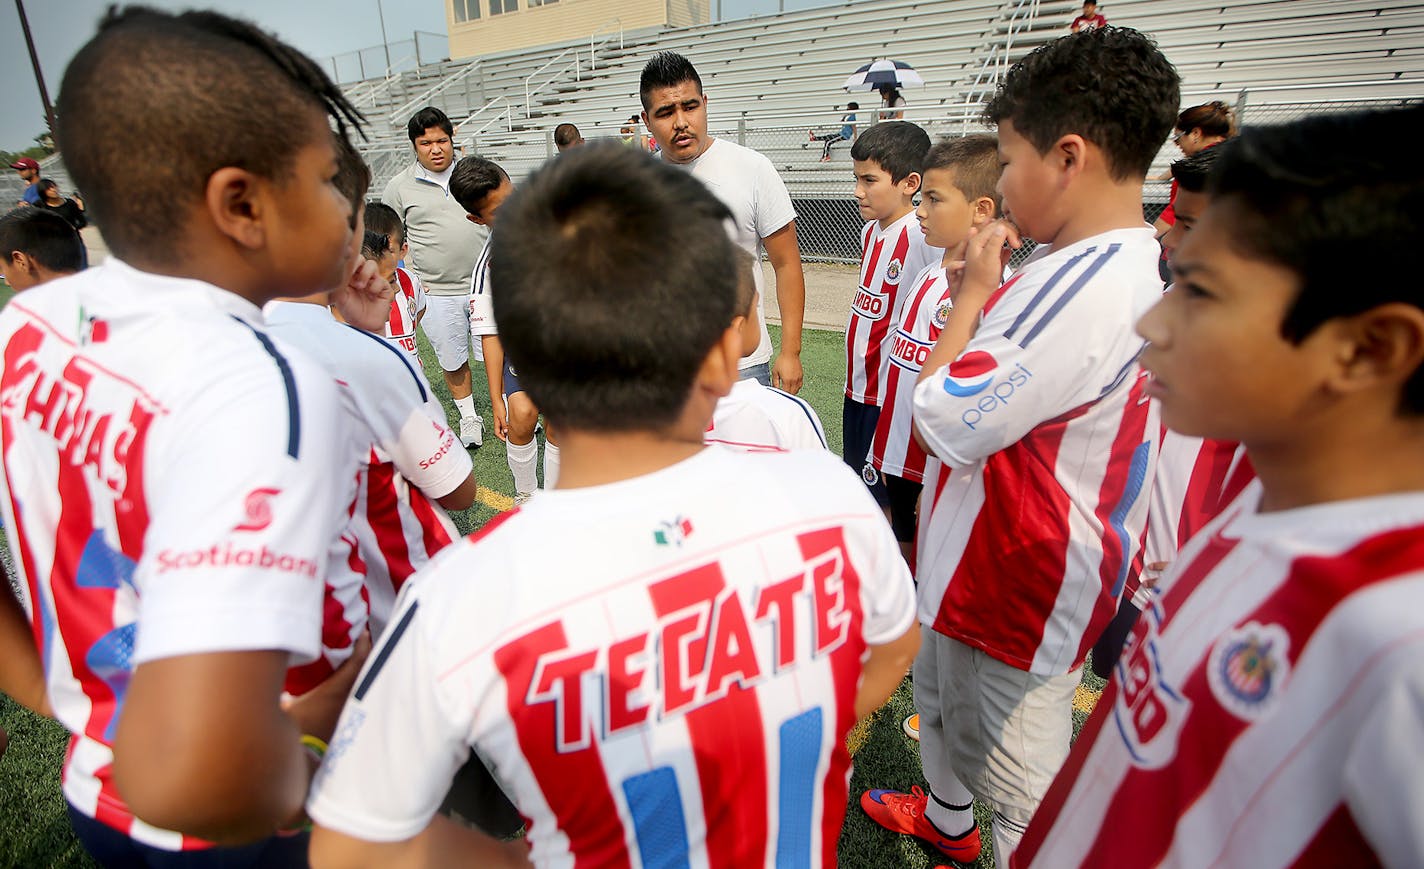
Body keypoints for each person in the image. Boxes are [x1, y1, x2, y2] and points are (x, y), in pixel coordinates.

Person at [306, 142, 920, 869]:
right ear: (730, 349)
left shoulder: (459, 597)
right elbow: (894, 644)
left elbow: (348, 841)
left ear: (529, 367)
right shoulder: (831, 498)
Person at [0, 6, 392, 863]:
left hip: (97, 792)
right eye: (330, 179)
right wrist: (324, 725)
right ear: (242, 204)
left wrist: (65, 700)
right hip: (244, 822)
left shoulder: (31, 323)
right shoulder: (260, 383)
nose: (344, 201)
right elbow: (198, 781)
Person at [1016, 102, 1424, 868]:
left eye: (1199, 290)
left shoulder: (1400, 638)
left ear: (1369, 349)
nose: (1152, 324)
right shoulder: (1265, 509)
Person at [860, 27, 1177, 866]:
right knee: (948, 711)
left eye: (1006, 158)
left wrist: (968, 297)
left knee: (1026, 789)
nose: (998, 181)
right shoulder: (1113, 262)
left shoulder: (1086, 282)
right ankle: (947, 822)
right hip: (994, 560)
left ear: (1066, 157)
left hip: (1020, 582)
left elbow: (942, 414)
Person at [1089, 143, 1253, 680]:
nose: (1168, 237)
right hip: (1131, 564)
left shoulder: (1282, 358)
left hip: (1195, 587)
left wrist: (1225, 565)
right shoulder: (1168, 300)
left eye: (1189, 225)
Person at [867, 133, 1000, 576]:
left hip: (933, 467)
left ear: (981, 209)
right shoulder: (927, 274)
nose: (920, 211)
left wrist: (939, 474)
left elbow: (973, 394)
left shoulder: (988, 292)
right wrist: (883, 449)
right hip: (896, 454)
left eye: (934, 199)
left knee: (930, 571)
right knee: (901, 561)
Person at [640, 51, 808, 393]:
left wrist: (791, 350)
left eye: (689, 106)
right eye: (665, 112)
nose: (680, 122)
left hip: (742, 366)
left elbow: (787, 263)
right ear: (647, 120)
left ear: (705, 102)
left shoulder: (753, 168)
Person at [843, 121, 939, 527]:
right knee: (857, 489)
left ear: (909, 182)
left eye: (869, 180)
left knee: (883, 502)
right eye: (856, 179)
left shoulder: (921, 238)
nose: (857, 191)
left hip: (885, 398)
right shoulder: (870, 232)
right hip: (857, 389)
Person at [450, 155, 559, 503]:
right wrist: (496, 397)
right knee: (522, 416)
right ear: (476, 218)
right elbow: (491, 334)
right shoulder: (489, 267)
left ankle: (558, 500)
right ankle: (525, 495)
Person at [383, 105, 488, 448]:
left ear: (453, 136)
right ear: (414, 145)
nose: (436, 149)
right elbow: (385, 237)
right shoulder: (399, 187)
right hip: (437, 292)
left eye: (442, 140)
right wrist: (408, 274)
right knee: (453, 358)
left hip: (487, 285)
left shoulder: (474, 173)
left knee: (501, 350)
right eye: (426, 143)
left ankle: (508, 407)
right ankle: (469, 416)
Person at [705, 247, 828, 452]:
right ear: (736, 330)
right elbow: (823, 481)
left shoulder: (641, 411)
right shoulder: (785, 415)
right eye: (756, 305)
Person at [1153, 101, 1234, 241]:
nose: (1176, 144)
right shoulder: (1232, 156)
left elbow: (1175, 212)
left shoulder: (1198, 170)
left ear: (1195, 133)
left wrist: (1148, 238)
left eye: (1177, 137)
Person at [363, 200, 428, 368]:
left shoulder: (410, 281)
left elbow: (419, 310)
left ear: (403, 250)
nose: (380, 257)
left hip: (409, 380)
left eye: (389, 250)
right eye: (374, 250)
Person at [0, 206, 85, 291]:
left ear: (20, 261)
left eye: (2, 268)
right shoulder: (94, 293)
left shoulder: (30, 303)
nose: (7, 282)